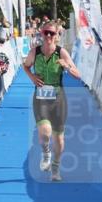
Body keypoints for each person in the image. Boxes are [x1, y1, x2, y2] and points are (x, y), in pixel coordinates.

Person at [24, 22, 81, 182]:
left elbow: (78, 75)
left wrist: (67, 67)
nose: (49, 36)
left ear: (57, 36)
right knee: (45, 132)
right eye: (46, 33)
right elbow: (26, 66)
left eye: (52, 33)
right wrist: (32, 77)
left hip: (58, 99)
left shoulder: (61, 52)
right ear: (41, 34)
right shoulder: (34, 52)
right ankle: (46, 153)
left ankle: (55, 168)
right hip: (40, 98)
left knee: (59, 139)